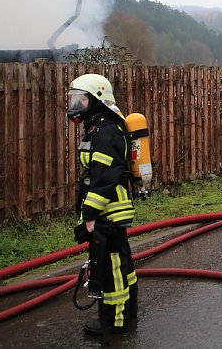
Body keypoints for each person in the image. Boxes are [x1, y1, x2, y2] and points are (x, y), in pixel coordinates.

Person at [68, 73, 137, 336]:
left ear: (96, 100)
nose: (76, 105)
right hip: (110, 209)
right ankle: (128, 312)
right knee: (122, 263)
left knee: (112, 269)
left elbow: (104, 177)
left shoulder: (106, 131)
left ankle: (115, 322)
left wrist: (90, 214)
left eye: (81, 100)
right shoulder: (100, 126)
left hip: (108, 211)